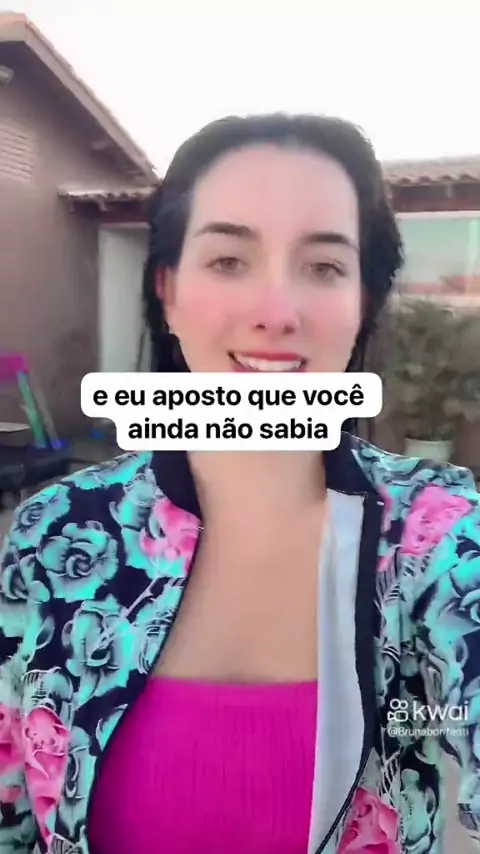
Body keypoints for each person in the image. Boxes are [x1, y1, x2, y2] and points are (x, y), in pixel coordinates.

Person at [0, 113, 479, 854]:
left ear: (363, 301)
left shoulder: (440, 533)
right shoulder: (55, 532)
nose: (276, 313)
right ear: (167, 289)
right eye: (228, 260)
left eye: (324, 267)